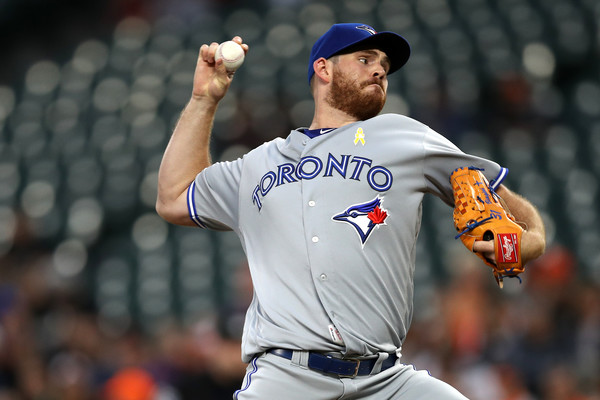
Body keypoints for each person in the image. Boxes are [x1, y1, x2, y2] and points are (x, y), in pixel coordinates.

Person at [156, 23, 546, 400]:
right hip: (287, 378)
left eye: (384, 66)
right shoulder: (257, 164)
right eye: (364, 58)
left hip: (386, 381)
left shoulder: (405, 136)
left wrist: (530, 239)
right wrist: (204, 100)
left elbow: (506, 210)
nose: (379, 69)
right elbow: (174, 198)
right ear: (323, 68)